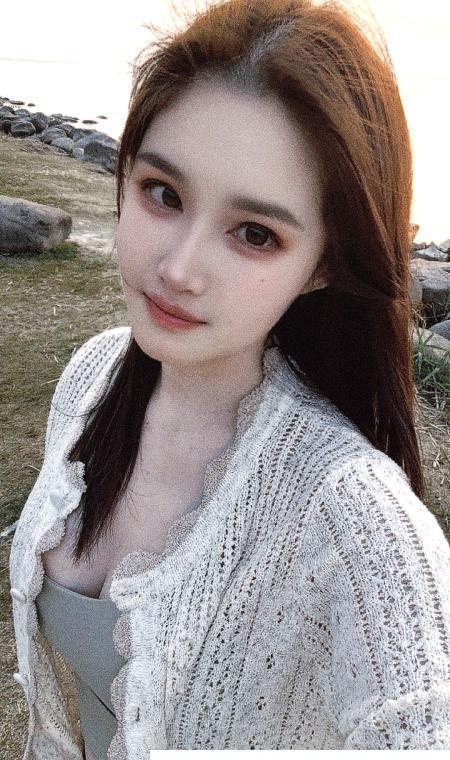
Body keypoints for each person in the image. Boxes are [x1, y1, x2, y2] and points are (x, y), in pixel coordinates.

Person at [9, 0, 450, 755]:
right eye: (163, 193)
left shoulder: (357, 520)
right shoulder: (92, 376)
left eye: (254, 234)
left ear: (323, 266)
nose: (179, 269)